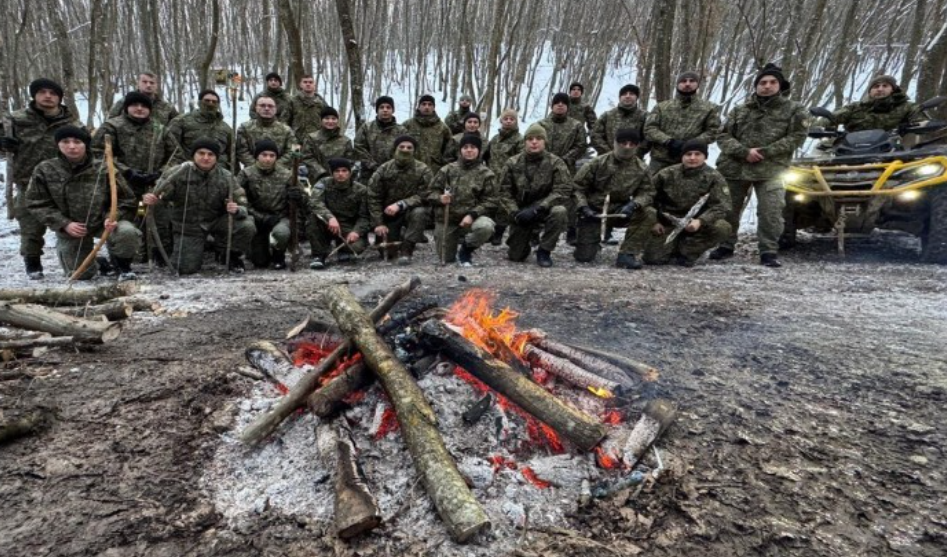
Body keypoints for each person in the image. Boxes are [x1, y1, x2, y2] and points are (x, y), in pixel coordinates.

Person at [713, 64, 808, 268]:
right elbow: (722, 135)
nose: (767, 86)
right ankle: (725, 245)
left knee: (771, 212)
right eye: (762, 83)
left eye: (772, 82)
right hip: (735, 168)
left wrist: (765, 152)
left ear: (780, 85)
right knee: (728, 210)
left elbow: (797, 137)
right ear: (756, 86)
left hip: (771, 169)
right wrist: (744, 152)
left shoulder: (795, 110)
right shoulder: (740, 110)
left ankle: (768, 251)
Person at [27, 126, 141, 281]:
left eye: (77, 141)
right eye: (65, 141)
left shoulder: (104, 167)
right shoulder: (44, 169)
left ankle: (123, 267)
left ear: (85, 145)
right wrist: (64, 223)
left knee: (126, 232)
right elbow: (36, 202)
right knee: (81, 275)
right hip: (71, 228)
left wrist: (112, 216)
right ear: (58, 145)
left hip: (104, 224)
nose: (72, 146)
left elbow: (127, 199)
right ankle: (99, 264)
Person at [0, 78, 81, 279]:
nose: (48, 96)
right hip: (29, 182)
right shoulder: (15, 120)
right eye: (43, 92)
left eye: (53, 93)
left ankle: (78, 259)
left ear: (59, 98)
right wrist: (3, 143)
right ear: (34, 95)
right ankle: (32, 262)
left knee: (71, 225)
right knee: (31, 227)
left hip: (65, 184)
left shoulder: (71, 122)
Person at [144, 138, 255, 274]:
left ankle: (231, 255)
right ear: (193, 155)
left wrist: (237, 209)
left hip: (216, 222)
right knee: (185, 268)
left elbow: (243, 203)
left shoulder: (226, 176)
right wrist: (153, 198)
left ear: (216, 158)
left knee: (247, 225)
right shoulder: (177, 172)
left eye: (210, 154)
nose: (206, 158)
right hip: (189, 227)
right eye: (201, 153)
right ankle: (195, 247)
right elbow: (160, 194)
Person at [572, 129, 654, 269]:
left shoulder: (641, 168)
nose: (627, 147)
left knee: (649, 213)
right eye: (623, 143)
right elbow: (577, 188)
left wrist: (634, 204)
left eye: (631, 144)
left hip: (621, 211)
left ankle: (627, 254)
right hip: (594, 212)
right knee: (584, 257)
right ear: (615, 143)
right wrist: (584, 207)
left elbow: (647, 192)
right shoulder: (597, 163)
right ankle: (593, 241)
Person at [642, 141, 732, 266]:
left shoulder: (714, 177)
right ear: (682, 156)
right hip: (667, 223)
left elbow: (722, 206)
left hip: (695, 225)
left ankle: (689, 251)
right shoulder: (666, 174)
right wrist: (654, 221)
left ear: (705, 156)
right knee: (653, 259)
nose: (692, 158)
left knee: (722, 227)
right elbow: (646, 196)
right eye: (688, 154)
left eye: (697, 154)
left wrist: (700, 221)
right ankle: (670, 247)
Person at [495, 123, 572, 267]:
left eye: (538, 138)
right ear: (525, 142)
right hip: (521, 213)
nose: (534, 142)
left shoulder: (556, 163)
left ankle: (544, 250)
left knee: (560, 211)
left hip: (544, 210)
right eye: (530, 139)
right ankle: (526, 238)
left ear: (545, 141)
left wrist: (539, 208)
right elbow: (503, 192)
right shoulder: (512, 163)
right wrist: (515, 212)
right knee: (516, 256)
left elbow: (563, 190)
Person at [426, 134, 496, 266]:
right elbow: (429, 193)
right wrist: (440, 198)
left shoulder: (486, 174)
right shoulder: (447, 170)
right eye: (466, 147)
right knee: (446, 258)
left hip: (471, 219)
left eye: (473, 147)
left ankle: (466, 249)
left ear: (479, 151)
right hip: (448, 220)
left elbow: (491, 200)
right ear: (460, 150)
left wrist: (472, 214)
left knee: (486, 227)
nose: (469, 150)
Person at [367, 135, 432, 264]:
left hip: (410, 212)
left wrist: (402, 204)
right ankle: (397, 237)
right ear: (395, 149)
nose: (405, 150)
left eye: (409, 147)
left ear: (414, 151)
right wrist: (378, 223)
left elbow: (426, 195)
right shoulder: (383, 169)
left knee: (420, 212)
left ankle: (407, 249)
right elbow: (373, 196)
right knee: (388, 254)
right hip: (388, 215)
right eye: (401, 147)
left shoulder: (423, 170)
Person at [644, 71, 721, 174]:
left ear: (697, 84)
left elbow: (713, 131)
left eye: (691, 81)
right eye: (683, 81)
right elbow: (649, 129)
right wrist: (668, 141)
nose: (687, 84)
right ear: (677, 84)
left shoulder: (709, 108)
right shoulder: (662, 107)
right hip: (661, 160)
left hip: (692, 161)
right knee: (652, 188)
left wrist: (690, 144)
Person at [240, 139, 297, 269]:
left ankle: (279, 255)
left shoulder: (287, 174)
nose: (268, 159)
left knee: (281, 233)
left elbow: (305, 200)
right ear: (257, 156)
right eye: (264, 155)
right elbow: (240, 200)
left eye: (272, 156)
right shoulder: (246, 174)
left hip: (279, 218)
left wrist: (297, 196)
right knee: (259, 262)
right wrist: (260, 217)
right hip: (256, 219)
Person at [540, 92, 588, 245]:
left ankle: (571, 229)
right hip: (544, 167)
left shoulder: (576, 125)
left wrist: (566, 158)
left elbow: (581, 145)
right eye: (557, 103)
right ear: (552, 105)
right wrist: (548, 159)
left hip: (568, 167)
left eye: (563, 103)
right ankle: (536, 230)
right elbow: (536, 143)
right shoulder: (542, 125)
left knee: (570, 197)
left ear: (567, 106)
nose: (560, 105)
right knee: (541, 196)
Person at [306, 158, 370, 270]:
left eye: (344, 171)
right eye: (337, 171)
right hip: (327, 223)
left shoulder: (361, 190)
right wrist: (330, 217)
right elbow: (314, 202)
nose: (341, 174)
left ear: (350, 172)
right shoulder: (324, 183)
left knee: (356, 247)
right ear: (332, 173)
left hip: (348, 225)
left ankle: (344, 250)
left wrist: (356, 231)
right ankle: (319, 255)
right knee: (312, 219)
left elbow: (364, 216)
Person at [483, 108, 523, 245]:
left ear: (515, 121)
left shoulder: (519, 139)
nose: (508, 121)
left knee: (503, 207)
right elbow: (486, 155)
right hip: (492, 177)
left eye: (511, 119)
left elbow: (521, 160)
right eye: (506, 119)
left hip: (508, 178)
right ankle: (490, 231)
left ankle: (499, 234)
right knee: (491, 204)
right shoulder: (495, 139)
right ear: (501, 121)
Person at [829, 74, 925, 132]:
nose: (880, 89)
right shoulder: (855, 107)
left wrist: (918, 125)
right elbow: (833, 117)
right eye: (876, 86)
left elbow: (921, 120)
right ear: (870, 91)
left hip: (896, 151)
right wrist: (820, 125)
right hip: (851, 149)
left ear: (893, 90)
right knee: (821, 150)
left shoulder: (907, 107)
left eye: (885, 86)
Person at [165, 89, 234, 168]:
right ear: (199, 102)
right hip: (188, 171)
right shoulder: (181, 121)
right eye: (207, 101)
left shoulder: (226, 128)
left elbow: (231, 154)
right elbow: (171, 149)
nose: (210, 104)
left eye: (214, 102)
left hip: (219, 173)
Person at [354, 96, 407, 181]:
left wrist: (392, 167)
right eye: (381, 107)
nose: (385, 110)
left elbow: (405, 151)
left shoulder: (401, 130)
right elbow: (359, 148)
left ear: (393, 110)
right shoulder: (366, 128)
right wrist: (373, 165)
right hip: (369, 175)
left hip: (394, 175)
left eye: (388, 107)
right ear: (377, 110)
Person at [236, 96, 295, 169]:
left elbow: (292, 151)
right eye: (262, 105)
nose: (267, 108)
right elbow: (241, 151)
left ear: (275, 109)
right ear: (256, 108)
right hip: (252, 172)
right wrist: (256, 167)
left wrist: (276, 167)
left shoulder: (286, 130)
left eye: (270, 106)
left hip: (280, 173)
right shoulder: (245, 128)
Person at [592, 84, 649, 158]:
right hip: (606, 159)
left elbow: (649, 137)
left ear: (636, 97)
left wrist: (634, 153)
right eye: (624, 94)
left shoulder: (645, 116)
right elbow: (595, 135)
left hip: (634, 161)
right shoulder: (607, 115)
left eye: (631, 94)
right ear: (620, 97)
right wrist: (609, 153)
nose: (627, 96)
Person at [301, 106, 356, 181]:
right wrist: (322, 173)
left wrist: (340, 175)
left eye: (333, 119)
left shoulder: (345, 141)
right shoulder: (311, 138)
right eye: (327, 118)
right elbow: (307, 158)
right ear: (321, 120)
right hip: (318, 179)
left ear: (337, 120)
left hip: (340, 181)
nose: (330, 121)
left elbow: (350, 161)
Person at [107, 71, 179, 125]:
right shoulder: (125, 102)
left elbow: (177, 126)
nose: (148, 85)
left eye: (152, 83)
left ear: (156, 85)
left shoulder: (166, 107)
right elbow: (110, 122)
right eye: (144, 82)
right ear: (138, 83)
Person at [404, 94, 452, 172]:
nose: (427, 107)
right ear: (419, 107)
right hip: (411, 170)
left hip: (435, 170)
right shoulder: (408, 125)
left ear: (433, 107)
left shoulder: (443, 128)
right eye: (424, 104)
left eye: (430, 104)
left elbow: (449, 150)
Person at [281, 74, 328, 141]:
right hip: (296, 141)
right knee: (294, 152)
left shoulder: (321, 103)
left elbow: (328, 122)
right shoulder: (292, 101)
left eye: (310, 82)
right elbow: (284, 121)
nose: (308, 84)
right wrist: (290, 137)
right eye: (305, 82)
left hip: (317, 142)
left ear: (314, 84)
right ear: (300, 84)